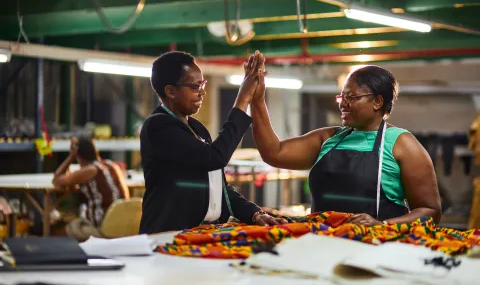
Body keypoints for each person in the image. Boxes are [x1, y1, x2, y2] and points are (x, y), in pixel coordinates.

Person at [251, 64, 442, 226]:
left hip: (375, 247)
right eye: (342, 97)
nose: (343, 104)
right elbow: (273, 152)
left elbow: (430, 211)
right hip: (321, 242)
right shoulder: (329, 138)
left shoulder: (402, 144)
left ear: (377, 101)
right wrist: (257, 99)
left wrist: (383, 225)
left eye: (351, 97)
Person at [139, 50, 286, 234]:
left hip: (201, 232)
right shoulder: (159, 126)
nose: (202, 92)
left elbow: (219, 186)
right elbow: (215, 158)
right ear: (171, 91)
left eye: (203, 84)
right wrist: (243, 99)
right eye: (195, 87)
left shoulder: (197, 128)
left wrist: (254, 214)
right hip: (168, 236)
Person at [52, 138, 129, 237]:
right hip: (123, 221)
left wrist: (71, 157)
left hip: (102, 224)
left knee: (58, 232)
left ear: (79, 156)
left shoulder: (90, 170)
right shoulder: (111, 165)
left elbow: (56, 180)